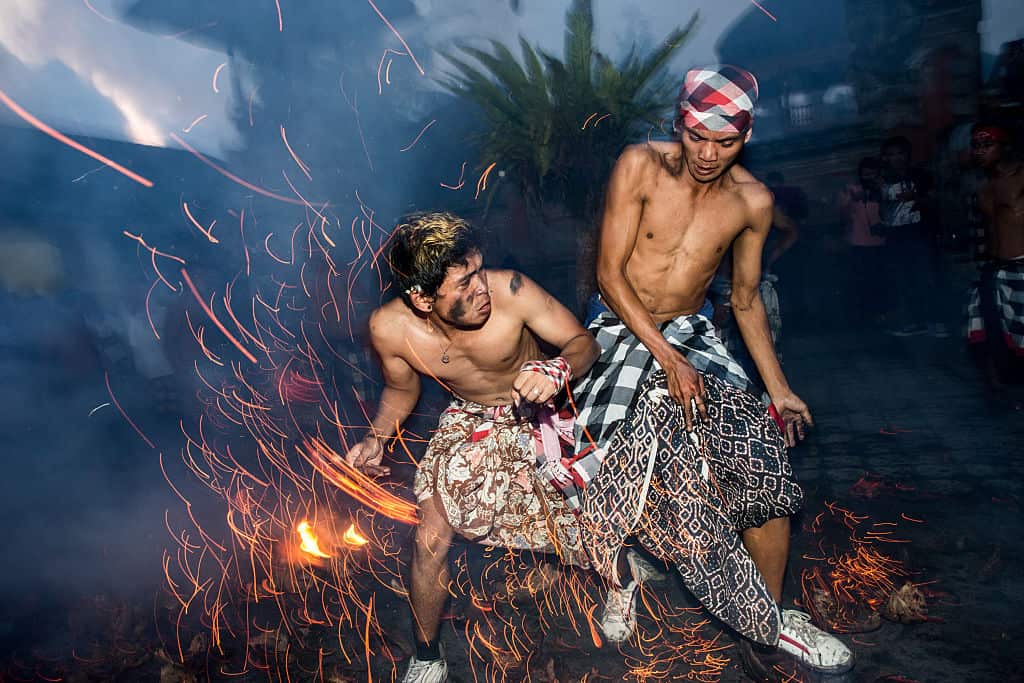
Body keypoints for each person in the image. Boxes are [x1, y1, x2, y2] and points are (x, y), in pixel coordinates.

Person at [567, 65, 854, 676]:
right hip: (619, 325)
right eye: (698, 136)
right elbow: (609, 276)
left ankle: (768, 618)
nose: (707, 153)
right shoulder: (640, 165)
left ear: (745, 137)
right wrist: (666, 360)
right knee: (616, 464)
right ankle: (620, 581)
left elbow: (745, 299)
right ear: (681, 124)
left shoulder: (753, 201)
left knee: (760, 452)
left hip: (692, 334)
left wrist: (781, 390)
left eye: (724, 142)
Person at [344, 212, 643, 682]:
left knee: (583, 525)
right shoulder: (390, 329)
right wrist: (376, 439)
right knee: (430, 537)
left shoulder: (511, 291)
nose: (482, 288)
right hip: (470, 416)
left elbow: (582, 342)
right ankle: (427, 657)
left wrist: (558, 368)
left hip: (539, 410)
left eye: (479, 271)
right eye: (464, 284)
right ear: (422, 298)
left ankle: (624, 582)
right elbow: (402, 392)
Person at [967, 124, 1024, 392]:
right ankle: (997, 387)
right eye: (976, 146)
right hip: (995, 267)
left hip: (1022, 265)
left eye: (987, 145)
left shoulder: (1021, 177)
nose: (980, 151)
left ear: (1005, 147)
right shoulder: (982, 187)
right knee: (985, 325)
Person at [877, 136, 947, 337]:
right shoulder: (884, 181)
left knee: (927, 277)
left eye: (899, 153)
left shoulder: (921, 176)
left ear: (907, 155)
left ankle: (937, 321)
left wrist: (914, 197)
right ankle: (916, 322)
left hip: (920, 234)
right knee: (904, 280)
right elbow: (883, 212)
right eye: (890, 155)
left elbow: (935, 203)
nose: (896, 158)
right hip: (897, 236)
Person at [838, 157, 888, 326]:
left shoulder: (884, 189)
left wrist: (881, 192)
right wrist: (852, 199)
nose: (869, 177)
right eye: (866, 174)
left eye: (873, 174)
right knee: (862, 283)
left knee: (880, 282)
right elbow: (842, 217)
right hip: (858, 244)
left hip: (881, 243)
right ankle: (864, 318)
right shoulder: (851, 190)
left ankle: (882, 314)